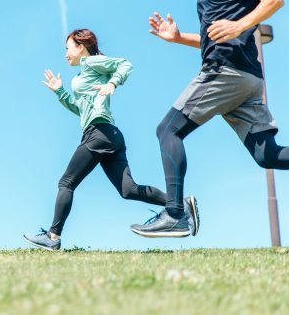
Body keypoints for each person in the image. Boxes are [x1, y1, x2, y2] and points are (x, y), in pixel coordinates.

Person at [131, 0, 289, 238]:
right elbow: (214, 37)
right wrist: (179, 38)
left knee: (167, 130)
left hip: (226, 72)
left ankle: (176, 214)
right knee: (267, 155)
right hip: (246, 78)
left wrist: (239, 26)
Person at [24, 29, 199, 250]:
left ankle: (53, 237)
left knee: (66, 183)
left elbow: (125, 64)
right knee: (129, 190)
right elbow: (81, 110)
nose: (65, 54)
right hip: (109, 135)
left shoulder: (91, 63)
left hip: (98, 133)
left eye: (67, 48)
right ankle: (179, 205)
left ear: (81, 47)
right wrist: (60, 92)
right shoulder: (81, 76)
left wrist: (113, 83)